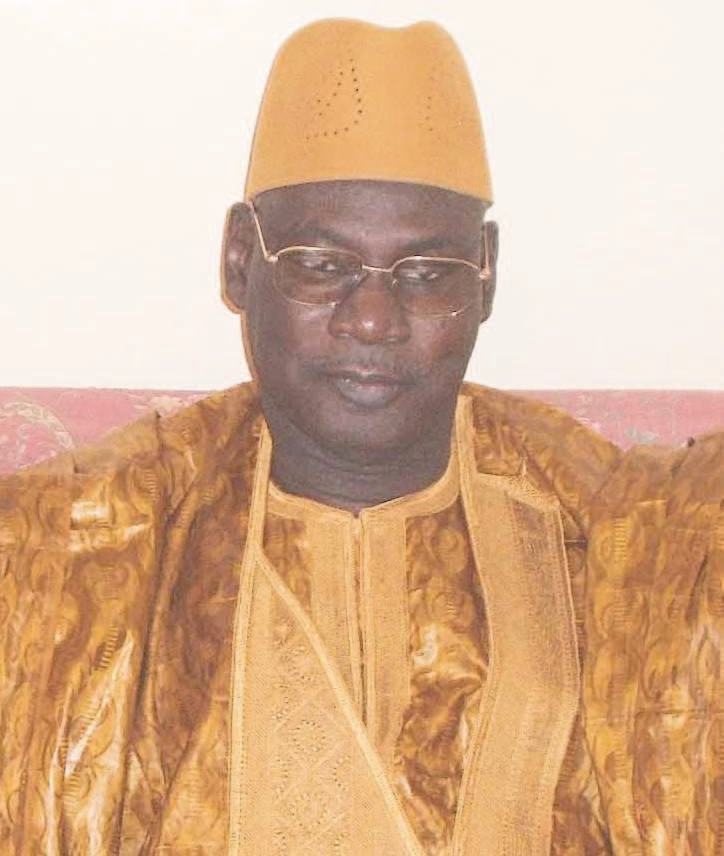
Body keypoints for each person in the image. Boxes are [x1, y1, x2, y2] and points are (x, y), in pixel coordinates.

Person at [1, 17, 723, 856]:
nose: (374, 320)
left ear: (485, 275)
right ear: (240, 262)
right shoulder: (77, 549)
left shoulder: (640, 542)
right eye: (322, 265)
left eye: (427, 274)